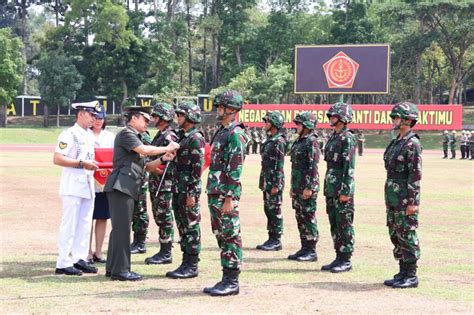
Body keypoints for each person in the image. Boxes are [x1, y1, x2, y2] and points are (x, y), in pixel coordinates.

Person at [104, 106, 179, 281]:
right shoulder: (126, 134)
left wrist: (163, 158)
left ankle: (113, 268)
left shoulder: (135, 137)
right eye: (145, 120)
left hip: (127, 187)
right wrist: (168, 147)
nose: (148, 123)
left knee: (120, 230)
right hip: (121, 186)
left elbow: (146, 165)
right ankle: (121, 270)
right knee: (122, 231)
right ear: (134, 119)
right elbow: (145, 151)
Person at [204, 90, 248, 296]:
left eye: (221, 106)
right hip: (215, 191)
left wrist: (230, 196)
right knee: (221, 234)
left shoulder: (235, 134)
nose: (218, 110)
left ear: (232, 109)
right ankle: (225, 276)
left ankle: (232, 281)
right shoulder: (221, 132)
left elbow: (235, 167)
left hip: (225, 194)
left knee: (230, 234)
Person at [53, 101, 101, 276]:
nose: (93, 119)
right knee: (70, 224)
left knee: (85, 224)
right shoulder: (69, 134)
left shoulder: (89, 135)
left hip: (87, 185)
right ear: (81, 114)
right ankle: (63, 261)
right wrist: (82, 164)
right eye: (91, 115)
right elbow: (58, 158)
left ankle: (79, 258)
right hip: (73, 185)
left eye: (95, 116)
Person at [383, 102, 422, 289]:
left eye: (396, 117)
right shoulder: (396, 141)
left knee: (407, 233)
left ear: (407, 120)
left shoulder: (412, 143)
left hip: (405, 197)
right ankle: (402, 271)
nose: (393, 120)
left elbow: (415, 174)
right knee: (395, 232)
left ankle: (411, 274)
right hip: (392, 195)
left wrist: (413, 202)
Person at [165, 102, 205, 279]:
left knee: (190, 226)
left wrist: (192, 194)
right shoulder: (182, 136)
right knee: (182, 225)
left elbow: (197, 169)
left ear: (190, 117)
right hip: (178, 187)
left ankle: (192, 264)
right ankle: (185, 261)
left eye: (181, 115)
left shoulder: (195, 138)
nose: (178, 118)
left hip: (188, 190)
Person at [321, 102, 356, 273]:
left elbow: (348, 167)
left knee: (344, 224)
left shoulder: (347, 138)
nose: (331, 118)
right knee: (334, 223)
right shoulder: (334, 137)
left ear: (343, 118)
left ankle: (346, 259)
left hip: (341, 189)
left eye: (334, 115)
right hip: (331, 187)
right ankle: (338, 256)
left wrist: (345, 191)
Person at [144, 103, 178, 265]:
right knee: (159, 216)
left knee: (164, 217)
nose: (153, 119)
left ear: (164, 118)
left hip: (164, 184)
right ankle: (164, 250)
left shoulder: (168, 136)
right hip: (157, 183)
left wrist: (152, 168)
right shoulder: (160, 134)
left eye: (156, 116)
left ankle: (166, 252)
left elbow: (168, 164)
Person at [288, 112, 320, 262]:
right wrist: (293, 187)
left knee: (308, 216)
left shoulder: (311, 141)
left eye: (300, 124)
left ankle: (311, 250)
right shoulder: (299, 140)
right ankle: (304, 247)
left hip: (307, 186)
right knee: (300, 216)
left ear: (307, 125)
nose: (297, 126)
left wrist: (309, 187)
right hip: (297, 185)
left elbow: (313, 166)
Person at [87, 106, 115, 264]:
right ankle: (87, 252)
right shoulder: (85, 135)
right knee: (88, 218)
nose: (98, 121)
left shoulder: (110, 137)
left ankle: (98, 251)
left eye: (101, 118)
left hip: (105, 182)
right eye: (95, 117)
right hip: (89, 181)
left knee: (102, 217)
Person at [256, 111, 286, 251]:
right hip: (267, 179)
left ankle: (276, 240)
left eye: (267, 122)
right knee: (268, 209)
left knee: (275, 210)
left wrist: (276, 185)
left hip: (274, 181)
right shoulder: (270, 139)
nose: (265, 124)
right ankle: (271, 237)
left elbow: (279, 165)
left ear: (274, 124)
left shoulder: (278, 141)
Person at [129, 130, 152, 255]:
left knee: (140, 210)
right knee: (135, 210)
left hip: (141, 178)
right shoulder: (133, 135)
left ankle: (140, 242)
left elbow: (146, 157)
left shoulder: (144, 136)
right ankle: (136, 241)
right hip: (134, 177)